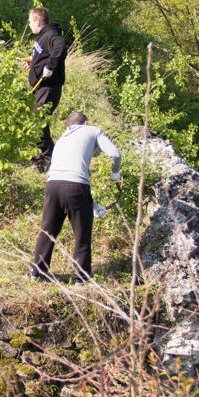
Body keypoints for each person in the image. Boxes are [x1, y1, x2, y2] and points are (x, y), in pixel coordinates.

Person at [30, 112, 121, 284]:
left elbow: (64, 178)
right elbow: (115, 154)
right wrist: (115, 174)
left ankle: (36, 273)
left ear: (68, 126)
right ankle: (81, 278)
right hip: (76, 186)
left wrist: (92, 204)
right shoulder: (93, 130)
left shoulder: (62, 139)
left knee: (48, 231)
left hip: (52, 185)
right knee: (82, 234)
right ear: (86, 123)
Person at [21, 7, 65, 172]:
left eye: (30, 21)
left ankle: (51, 160)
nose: (29, 24)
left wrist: (50, 67)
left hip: (49, 88)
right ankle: (41, 157)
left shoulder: (52, 35)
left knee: (38, 122)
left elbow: (60, 49)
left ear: (38, 21)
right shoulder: (41, 36)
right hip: (40, 88)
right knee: (34, 122)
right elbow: (44, 53)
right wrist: (34, 60)